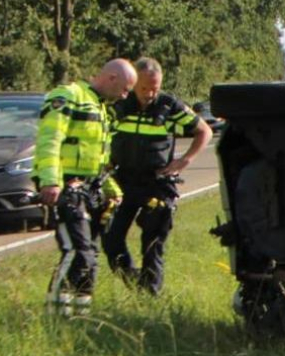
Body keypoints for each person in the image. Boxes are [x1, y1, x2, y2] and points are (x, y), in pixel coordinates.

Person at [35, 59, 135, 317]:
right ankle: (54, 315)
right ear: (111, 77)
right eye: (125, 89)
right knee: (76, 251)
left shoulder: (100, 107)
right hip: (66, 187)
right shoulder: (68, 96)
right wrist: (50, 181)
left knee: (90, 257)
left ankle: (80, 315)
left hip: (89, 189)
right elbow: (50, 140)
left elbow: (97, 159)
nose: (125, 95)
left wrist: (111, 188)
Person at [105, 57, 212, 296]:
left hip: (157, 183)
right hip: (123, 181)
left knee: (153, 241)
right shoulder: (120, 106)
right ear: (133, 84)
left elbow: (204, 131)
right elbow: (102, 134)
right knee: (111, 237)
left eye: (155, 88)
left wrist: (184, 160)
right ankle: (132, 278)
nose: (150, 94)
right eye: (144, 88)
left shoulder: (169, 105)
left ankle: (150, 294)